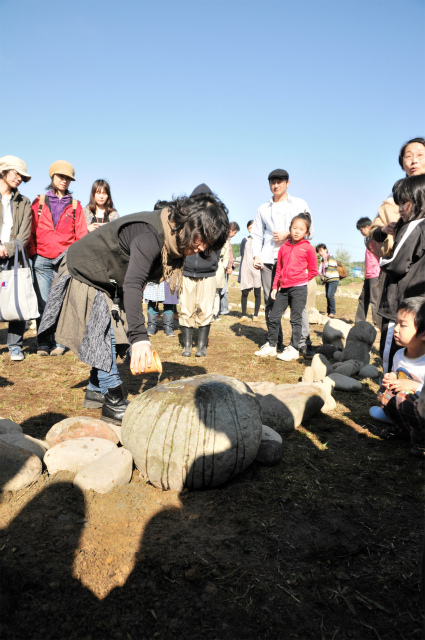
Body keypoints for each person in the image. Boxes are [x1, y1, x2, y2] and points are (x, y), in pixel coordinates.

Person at [38, 192, 229, 424]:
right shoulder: (150, 234)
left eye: (208, 245)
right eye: (202, 239)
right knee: (104, 332)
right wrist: (139, 338)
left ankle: (95, 389)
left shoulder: (174, 239)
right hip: (85, 270)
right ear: (190, 222)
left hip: (106, 278)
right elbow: (133, 284)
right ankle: (113, 401)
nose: (201, 248)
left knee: (110, 330)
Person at [27, 161, 88, 356]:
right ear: (52, 176)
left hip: (65, 260)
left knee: (61, 302)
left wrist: (76, 259)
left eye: (68, 178)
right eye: (61, 176)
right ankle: (44, 343)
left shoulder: (76, 205)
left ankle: (61, 343)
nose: (64, 180)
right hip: (42, 259)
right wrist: (34, 254)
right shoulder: (39, 202)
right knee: (43, 302)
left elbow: (82, 235)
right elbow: (31, 231)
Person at [251, 168, 315, 356]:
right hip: (269, 259)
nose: (276, 185)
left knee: (298, 304)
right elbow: (256, 234)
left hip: (293, 260)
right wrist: (256, 255)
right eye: (272, 182)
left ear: (288, 183)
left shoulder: (300, 204)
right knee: (270, 301)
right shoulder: (263, 208)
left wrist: (289, 234)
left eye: (280, 181)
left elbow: (311, 230)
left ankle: (301, 342)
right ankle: (273, 342)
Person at [375, 174, 425, 373]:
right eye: (399, 203)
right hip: (419, 305)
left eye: (405, 202)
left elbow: (395, 264)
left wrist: (382, 260)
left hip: (400, 302)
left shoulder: (414, 225)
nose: (401, 208)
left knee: (392, 349)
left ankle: (388, 395)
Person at [255, 214, 318, 361]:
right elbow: (279, 269)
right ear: (290, 229)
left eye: (301, 229)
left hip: (299, 289)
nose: (297, 231)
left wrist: (302, 279)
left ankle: (294, 348)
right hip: (283, 289)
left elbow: (314, 270)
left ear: (306, 232)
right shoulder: (284, 247)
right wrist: (275, 287)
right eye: (294, 228)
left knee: (295, 320)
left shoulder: (308, 248)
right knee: (274, 316)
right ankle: (272, 346)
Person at [369, 297, 425, 458]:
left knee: (402, 398)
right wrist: (391, 377)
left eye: (403, 325)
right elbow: (398, 374)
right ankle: (405, 432)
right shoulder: (400, 354)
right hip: (410, 406)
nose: (395, 328)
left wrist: (415, 386)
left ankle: (422, 442)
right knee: (384, 394)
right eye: (396, 322)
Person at [179, 185, 221, 357]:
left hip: (208, 272)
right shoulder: (185, 220)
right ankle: (187, 345)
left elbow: (219, 243)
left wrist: (213, 261)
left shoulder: (216, 219)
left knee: (205, 308)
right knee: (186, 308)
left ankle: (202, 346)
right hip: (186, 271)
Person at [369, 137, 425, 258]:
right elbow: (372, 235)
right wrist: (383, 230)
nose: (414, 160)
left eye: (420, 155)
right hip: (400, 265)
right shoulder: (391, 200)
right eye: (409, 156)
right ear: (402, 163)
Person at [0, 156, 32, 361]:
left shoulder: (24, 202)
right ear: (3, 171)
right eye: (15, 173)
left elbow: (25, 234)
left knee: (17, 298)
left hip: (14, 256)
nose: (19, 178)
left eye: (22, 175)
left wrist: (7, 248)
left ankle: (15, 346)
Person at [354, 217, 380, 326]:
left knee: (374, 300)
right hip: (368, 275)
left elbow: (381, 254)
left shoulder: (376, 238)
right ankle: (359, 322)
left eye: (361, 230)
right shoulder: (368, 240)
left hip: (375, 274)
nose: (361, 232)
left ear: (367, 227)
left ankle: (377, 322)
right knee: (363, 298)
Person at [238, 220, 261, 320]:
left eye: (253, 227)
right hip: (245, 268)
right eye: (249, 228)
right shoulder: (244, 240)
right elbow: (242, 254)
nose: (251, 230)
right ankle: (243, 314)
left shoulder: (261, 240)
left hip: (256, 269)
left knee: (257, 292)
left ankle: (255, 315)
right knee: (244, 292)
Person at [218, 221, 240, 316]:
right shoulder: (225, 239)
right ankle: (223, 309)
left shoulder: (222, 237)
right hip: (224, 268)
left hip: (222, 266)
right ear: (231, 230)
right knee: (223, 289)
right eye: (234, 233)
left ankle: (220, 308)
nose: (234, 235)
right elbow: (228, 255)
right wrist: (229, 266)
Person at [316, 244, 339, 317]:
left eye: (321, 250)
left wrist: (324, 278)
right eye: (318, 251)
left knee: (330, 295)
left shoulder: (330, 258)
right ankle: (328, 312)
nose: (320, 253)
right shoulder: (323, 260)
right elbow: (322, 271)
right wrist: (322, 277)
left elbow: (330, 269)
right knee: (327, 295)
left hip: (333, 279)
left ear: (325, 250)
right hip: (328, 280)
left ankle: (332, 312)